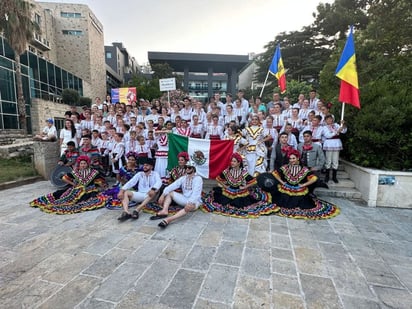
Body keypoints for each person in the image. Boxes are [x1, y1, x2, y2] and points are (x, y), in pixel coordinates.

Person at [202, 153, 278, 218]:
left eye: (234, 161)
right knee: (220, 201)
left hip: (240, 192)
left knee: (241, 204)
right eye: (231, 161)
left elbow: (254, 181)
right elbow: (218, 178)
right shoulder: (227, 171)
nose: (232, 163)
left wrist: (245, 187)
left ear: (239, 163)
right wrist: (225, 186)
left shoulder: (243, 172)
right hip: (228, 191)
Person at [270, 149, 340, 219]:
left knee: (302, 202)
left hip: (299, 190)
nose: (291, 160)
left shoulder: (304, 169)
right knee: (282, 200)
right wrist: (282, 182)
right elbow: (275, 173)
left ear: (298, 158)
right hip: (286, 189)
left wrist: (304, 185)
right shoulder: (285, 167)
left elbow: (314, 178)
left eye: (293, 158)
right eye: (290, 158)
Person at [30, 156, 107, 214]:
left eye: (84, 163)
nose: (83, 165)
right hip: (77, 189)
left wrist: (102, 186)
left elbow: (100, 181)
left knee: (85, 201)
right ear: (79, 164)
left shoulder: (93, 172)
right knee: (61, 195)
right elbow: (64, 177)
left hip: (89, 190)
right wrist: (73, 183)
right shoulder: (75, 172)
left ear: (87, 164)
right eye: (81, 163)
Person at [154, 161, 203, 228]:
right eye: (186, 167)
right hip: (184, 198)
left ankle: (169, 220)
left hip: (195, 202)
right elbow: (172, 186)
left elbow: (196, 194)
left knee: (190, 206)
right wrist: (163, 195)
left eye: (189, 167)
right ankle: (165, 210)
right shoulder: (183, 178)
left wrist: (190, 203)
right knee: (170, 193)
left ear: (193, 169)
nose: (187, 169)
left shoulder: (198, 179)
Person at [322, 116, 347, 183]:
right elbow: (328, 135)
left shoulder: (336, 125)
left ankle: (334, 177)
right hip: (329, 143)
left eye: (331, 119)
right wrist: (336, 132)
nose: (330, 120)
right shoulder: (324, 127)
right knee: (328, 160)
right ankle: (327, 176)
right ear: (325, 120)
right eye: (328, 119)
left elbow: (344, 131)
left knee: (335, 160)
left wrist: (343, 125)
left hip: (336, 143)